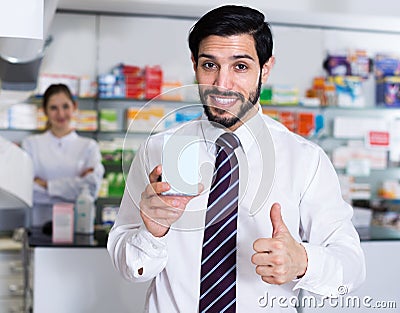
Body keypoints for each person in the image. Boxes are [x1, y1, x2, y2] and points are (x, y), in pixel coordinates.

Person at [107, 5, 365, 312]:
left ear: (265, 69)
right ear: (194, 64)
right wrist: (152, 232)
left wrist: (302, 261)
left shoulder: (305, 160)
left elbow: (352, 267)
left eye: (240, 66)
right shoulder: (158, 151)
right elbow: (130, 268)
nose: (222, 84)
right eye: (209, 65)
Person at [22, 83, 104, 227]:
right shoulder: (30, 144)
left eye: (65, 106)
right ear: (45, 111)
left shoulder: (89, 146)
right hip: (37, 225)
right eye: (53, 108)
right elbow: (28, 191)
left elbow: (91, 188)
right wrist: (75, 188)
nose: (60, 114)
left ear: (74, 106)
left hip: (78, 225)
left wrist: (46, 185)